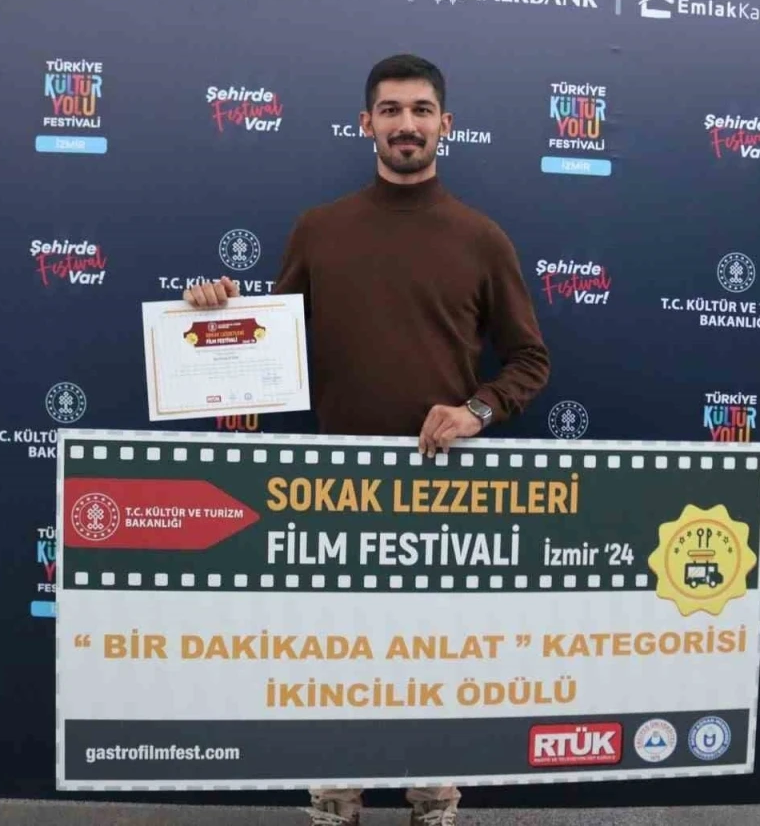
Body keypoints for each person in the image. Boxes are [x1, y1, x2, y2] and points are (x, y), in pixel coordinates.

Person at [183, 54, 551, 825]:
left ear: (445, 124)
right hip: (334, 494)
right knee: (334, 658)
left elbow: (529, 359)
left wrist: (477, 410)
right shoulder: (319, 229)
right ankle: (335, 801)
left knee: (436, 658)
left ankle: (434, 801)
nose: (406, 125)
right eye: (390, 110)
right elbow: (269, 352)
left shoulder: (482, 238)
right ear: (366, 124)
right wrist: (216, 316)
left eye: (420, 110)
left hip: (443, 492)